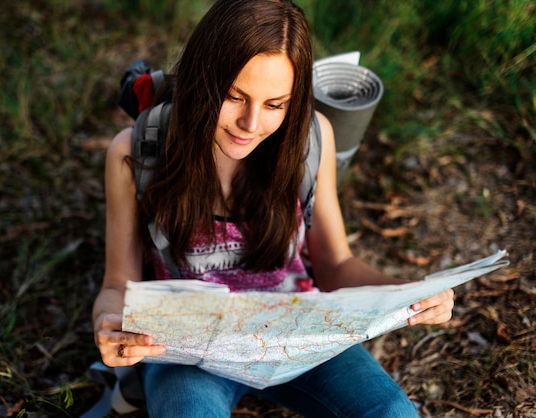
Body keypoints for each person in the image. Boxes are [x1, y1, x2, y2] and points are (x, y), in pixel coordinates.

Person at [93, 0, 454, 416]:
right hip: (184, 348)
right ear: (200, 78)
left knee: (391, 410)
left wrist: (409, 294)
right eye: (234, 96)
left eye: (274, 105)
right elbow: (117, 284)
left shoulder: (310, 139)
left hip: (298, 332)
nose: (250, 123)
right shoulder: (137, 151)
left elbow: (336, 265)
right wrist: (108, 324)